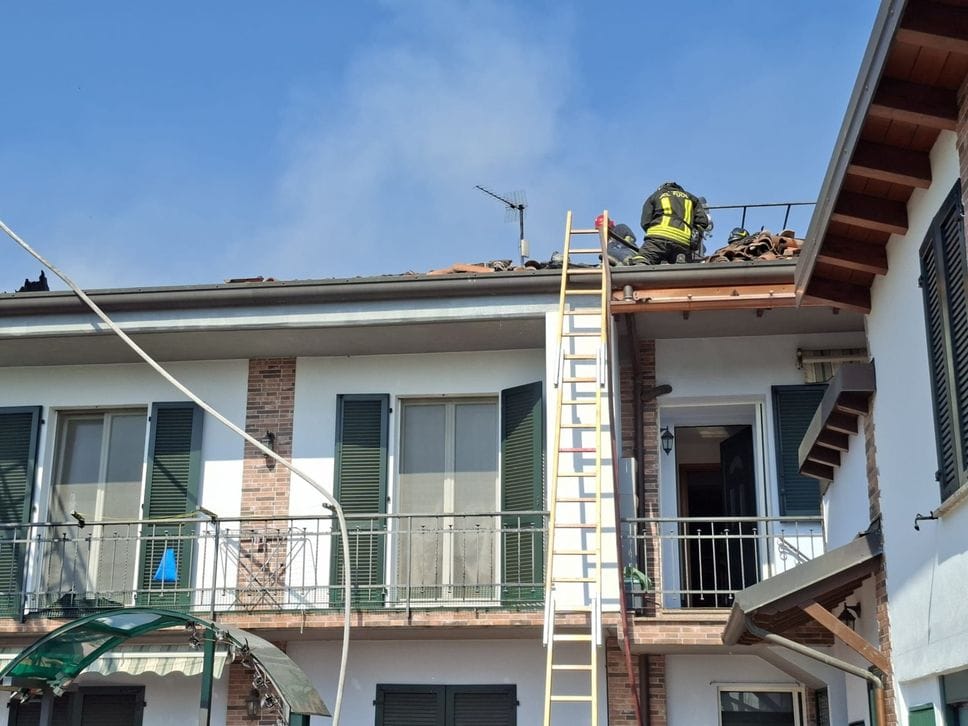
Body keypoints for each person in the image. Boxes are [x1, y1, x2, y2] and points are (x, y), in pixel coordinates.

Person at [628, 182, 710, 265]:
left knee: (643, 259)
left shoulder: (656, 195)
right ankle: (680, 260)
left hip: (658, 238)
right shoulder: (692, 198)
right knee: (684, 270)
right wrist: (694, 239)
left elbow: (645, 222)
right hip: (683, 241)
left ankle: (642, 266)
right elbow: (702, 222)